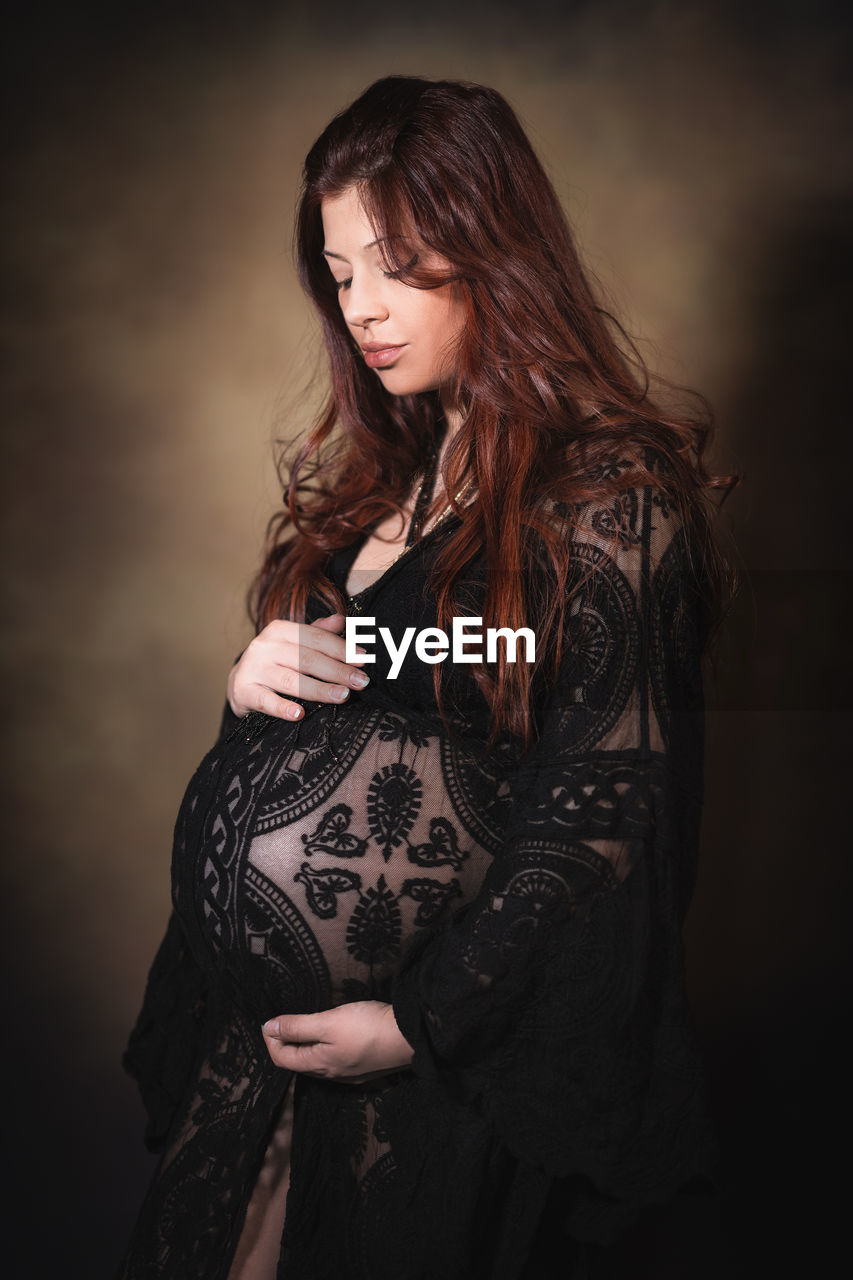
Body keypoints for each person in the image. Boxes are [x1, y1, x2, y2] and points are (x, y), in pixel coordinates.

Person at [118, 76, 739, 1280]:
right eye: (340, 272)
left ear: (495, 249)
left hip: (444, 1070)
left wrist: (416, 1024)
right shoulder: (384, 479)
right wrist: (252, 680)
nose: (361, 307)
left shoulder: (609, 498)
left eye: (397, 265)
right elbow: (344, 716)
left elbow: (607, 799)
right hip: (263, 1062)